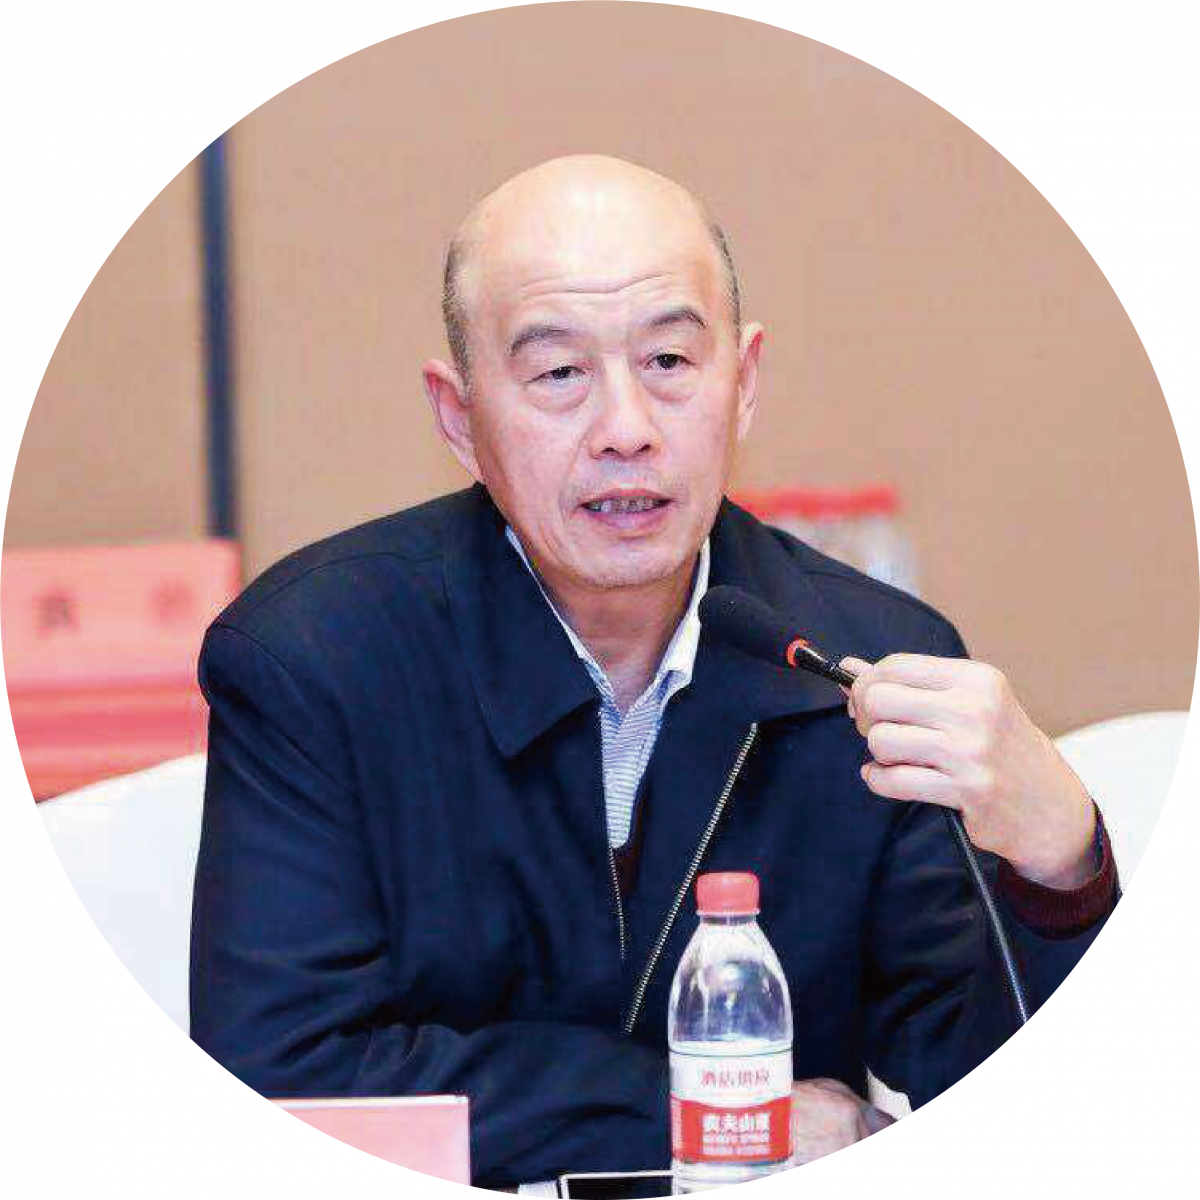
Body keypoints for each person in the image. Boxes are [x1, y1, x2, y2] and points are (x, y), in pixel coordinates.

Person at [190, 155, 1117, 1188]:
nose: (626, 430)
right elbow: (281, 1078)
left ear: (743, 382)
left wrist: (1061, 869)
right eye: (558, 374)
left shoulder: (867, 664)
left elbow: (1000, 1109)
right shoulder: (315, 659)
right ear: (459, 418)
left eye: (670, 360)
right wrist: (720, 1111)